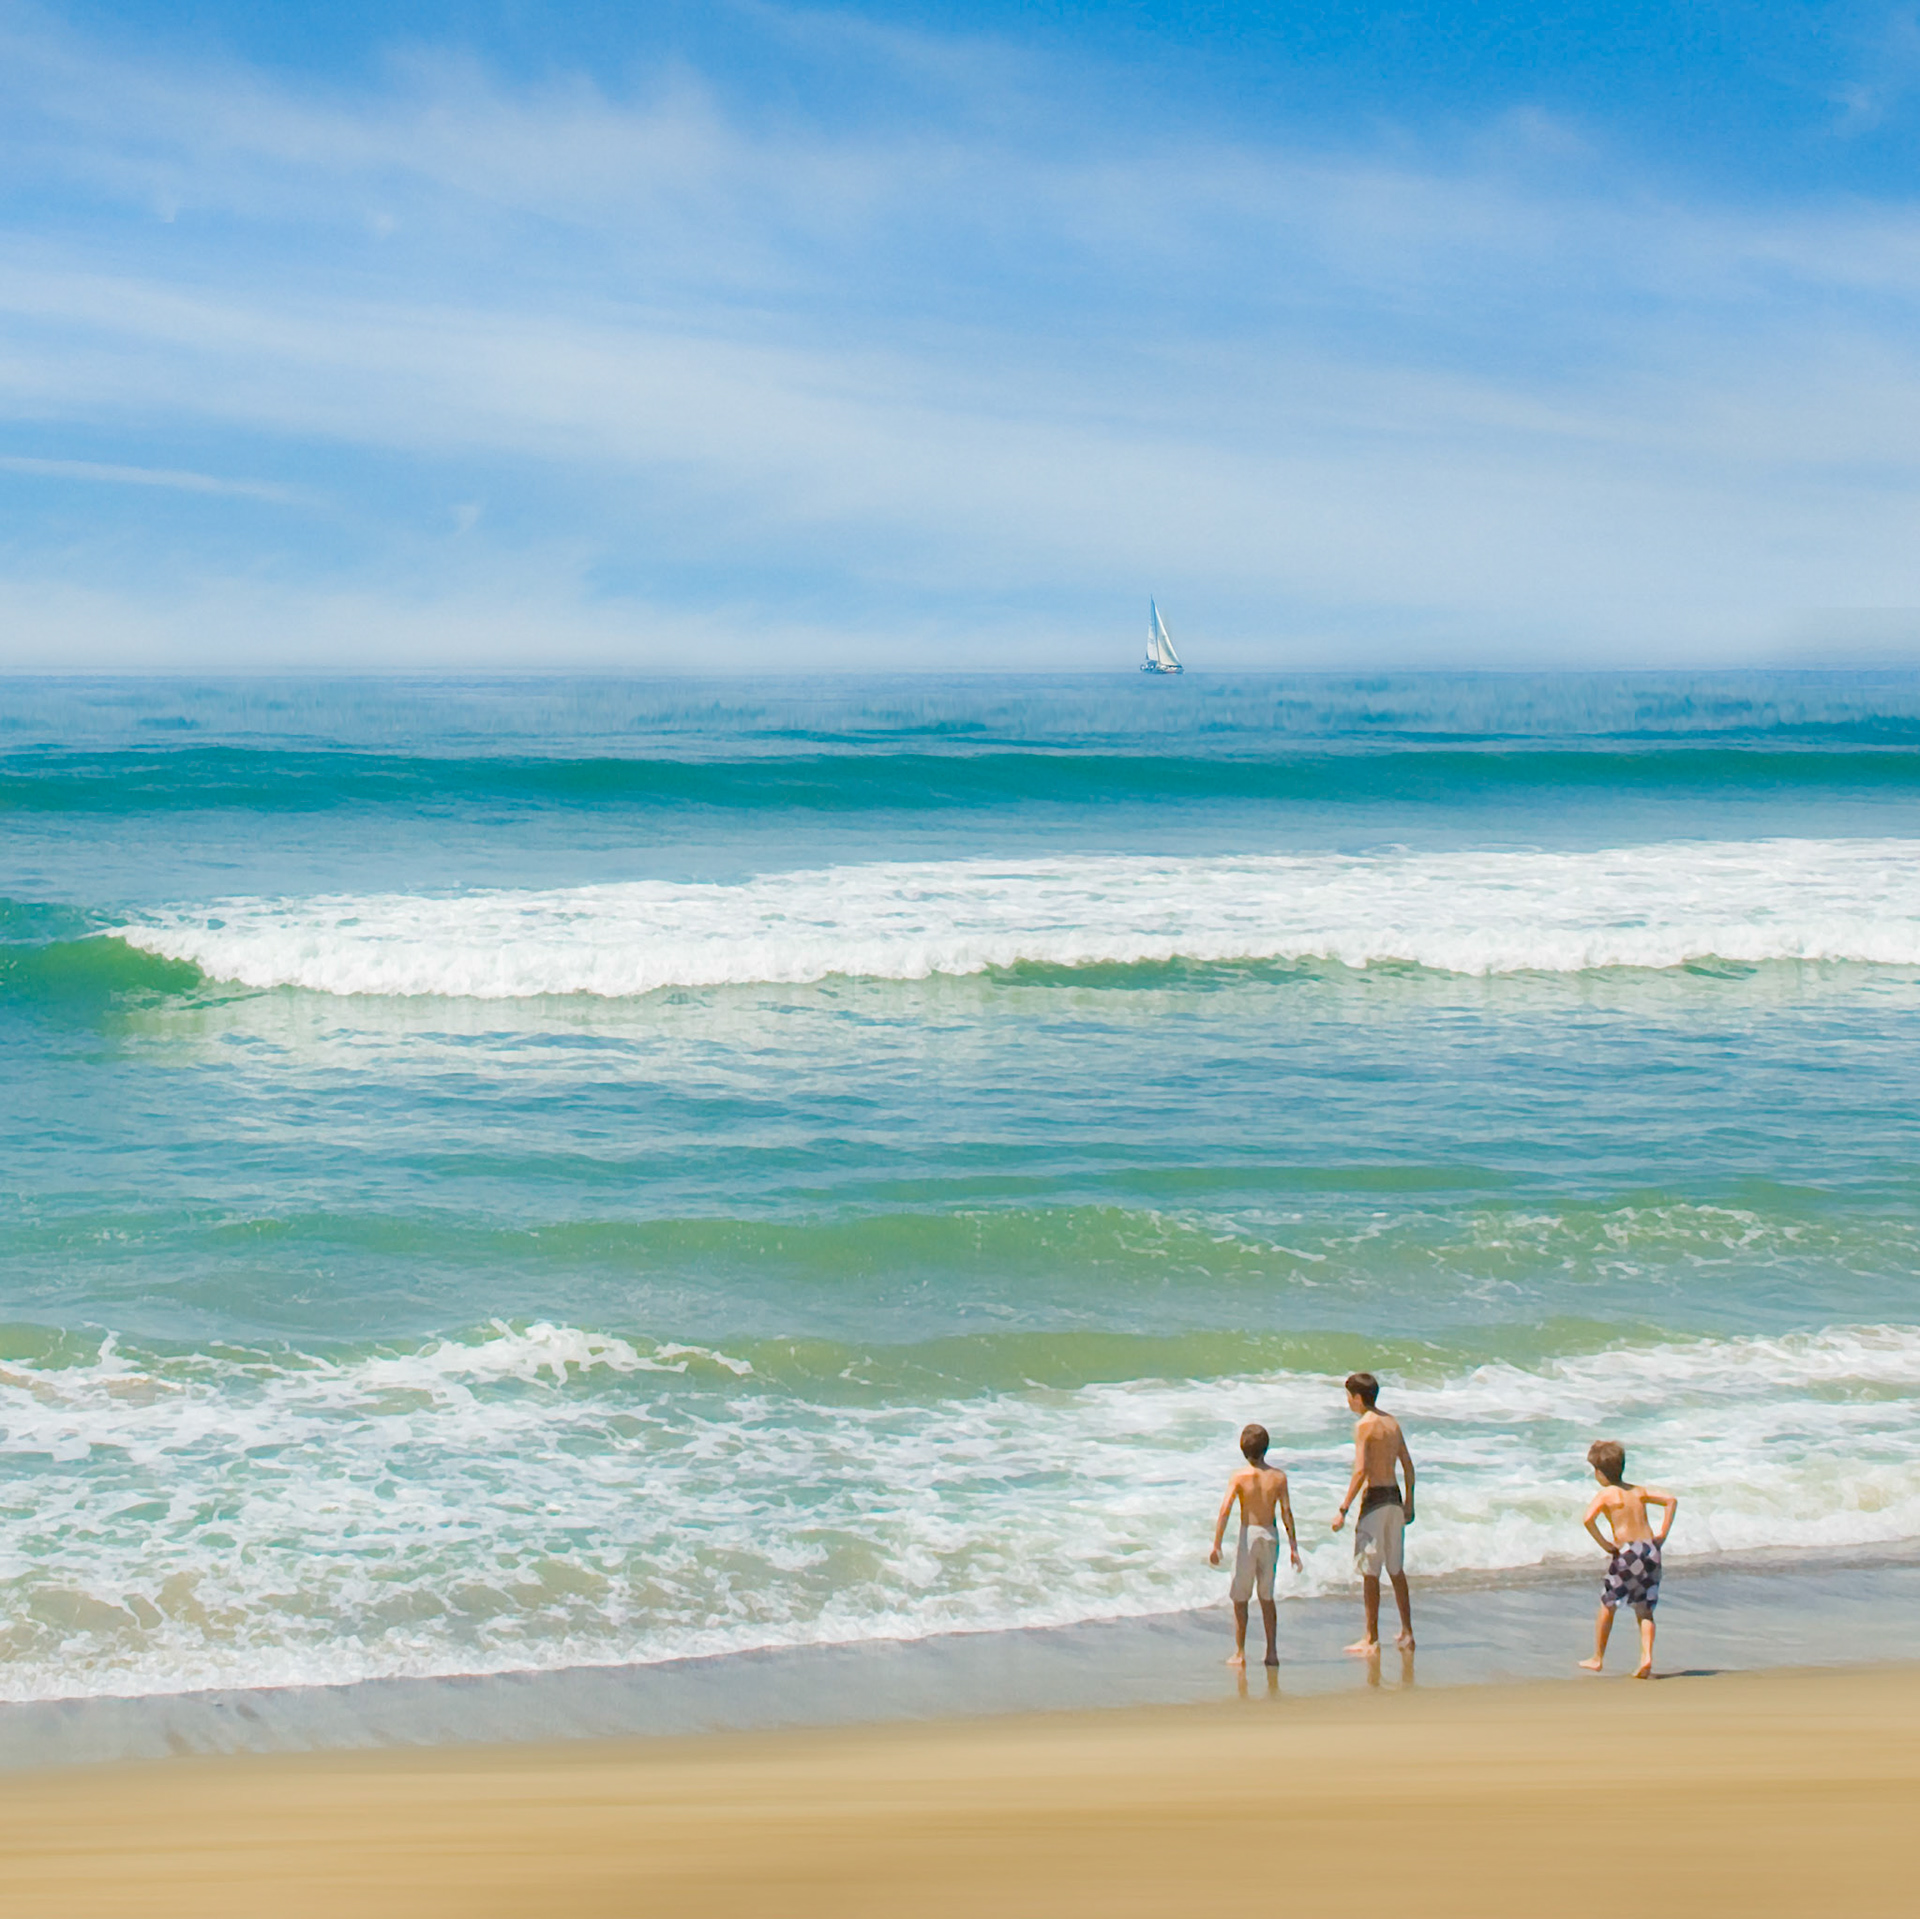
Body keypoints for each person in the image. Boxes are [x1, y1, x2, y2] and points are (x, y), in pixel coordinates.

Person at [1329, 1371, 1415, 1655]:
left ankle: (1371, 1638)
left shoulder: (1364, 1425)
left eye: (1348, 1397)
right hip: (1394, 1499)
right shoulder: (1391, 1422)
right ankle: (1407, 1632)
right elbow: (1408, 1466)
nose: (1347, 1402)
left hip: (1375, 1500)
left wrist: (1343, 1509)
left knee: (1370, 1571)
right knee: (1396, 1569)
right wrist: (1410, 1503)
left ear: (1357, 1398)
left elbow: (1361, 1470)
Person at [1578, 1439, 1677, 1679]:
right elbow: (1670, 1500)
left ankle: (1598, 1657)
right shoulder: (1638, 1491)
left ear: (1600, 1473)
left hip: (1627, 1552)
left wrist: (1605, 1545)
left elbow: (1588, 1519)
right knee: (1645, 1609)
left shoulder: (1606, 1494)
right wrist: (1662, 1534)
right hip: (1650, 1550)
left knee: (1608, 1603)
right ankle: (1646, 1658)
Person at [1208, 1422, 1301, 1669]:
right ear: (1266, 1448)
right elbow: (1287, 1513)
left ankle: (1240, 1652)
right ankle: (1271, 1652)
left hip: (1248, 1535)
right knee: (1266, 1596)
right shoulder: (1278, 1477)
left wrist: (1217, 1544)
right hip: (1270, 1535)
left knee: (1240, 1597)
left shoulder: (1239, 1476)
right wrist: (1294, 1548)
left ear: (1243, 1449)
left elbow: (1225, 1510)